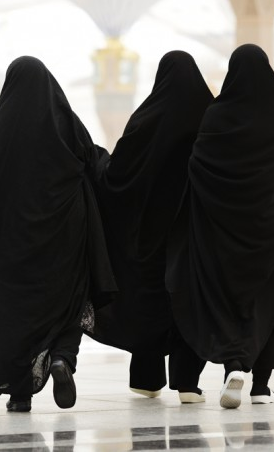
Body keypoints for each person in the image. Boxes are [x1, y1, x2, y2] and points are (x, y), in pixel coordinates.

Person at [0, 56, 117, 413]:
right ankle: (63, 357)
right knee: (73, 300)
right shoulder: (64, 122)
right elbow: (95, 164)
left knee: (13, 314)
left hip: (8, 248)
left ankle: (20, 394)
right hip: (64, 237)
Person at [166, 44, 274, 409]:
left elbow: (198, 165)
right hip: (273, 230)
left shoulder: (217, 114)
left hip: (221, 231)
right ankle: (260, 386)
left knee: (224, 299)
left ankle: (233, 363)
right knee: (269, 302)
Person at [87, 51, 213, 403]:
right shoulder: (209, 117)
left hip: (148, 238)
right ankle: (187, 383)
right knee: (189, 301)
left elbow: (118, 176)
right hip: (192, 235)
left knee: (147, 300)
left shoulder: (146, 118)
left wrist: (95, 161)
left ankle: (146, 377)